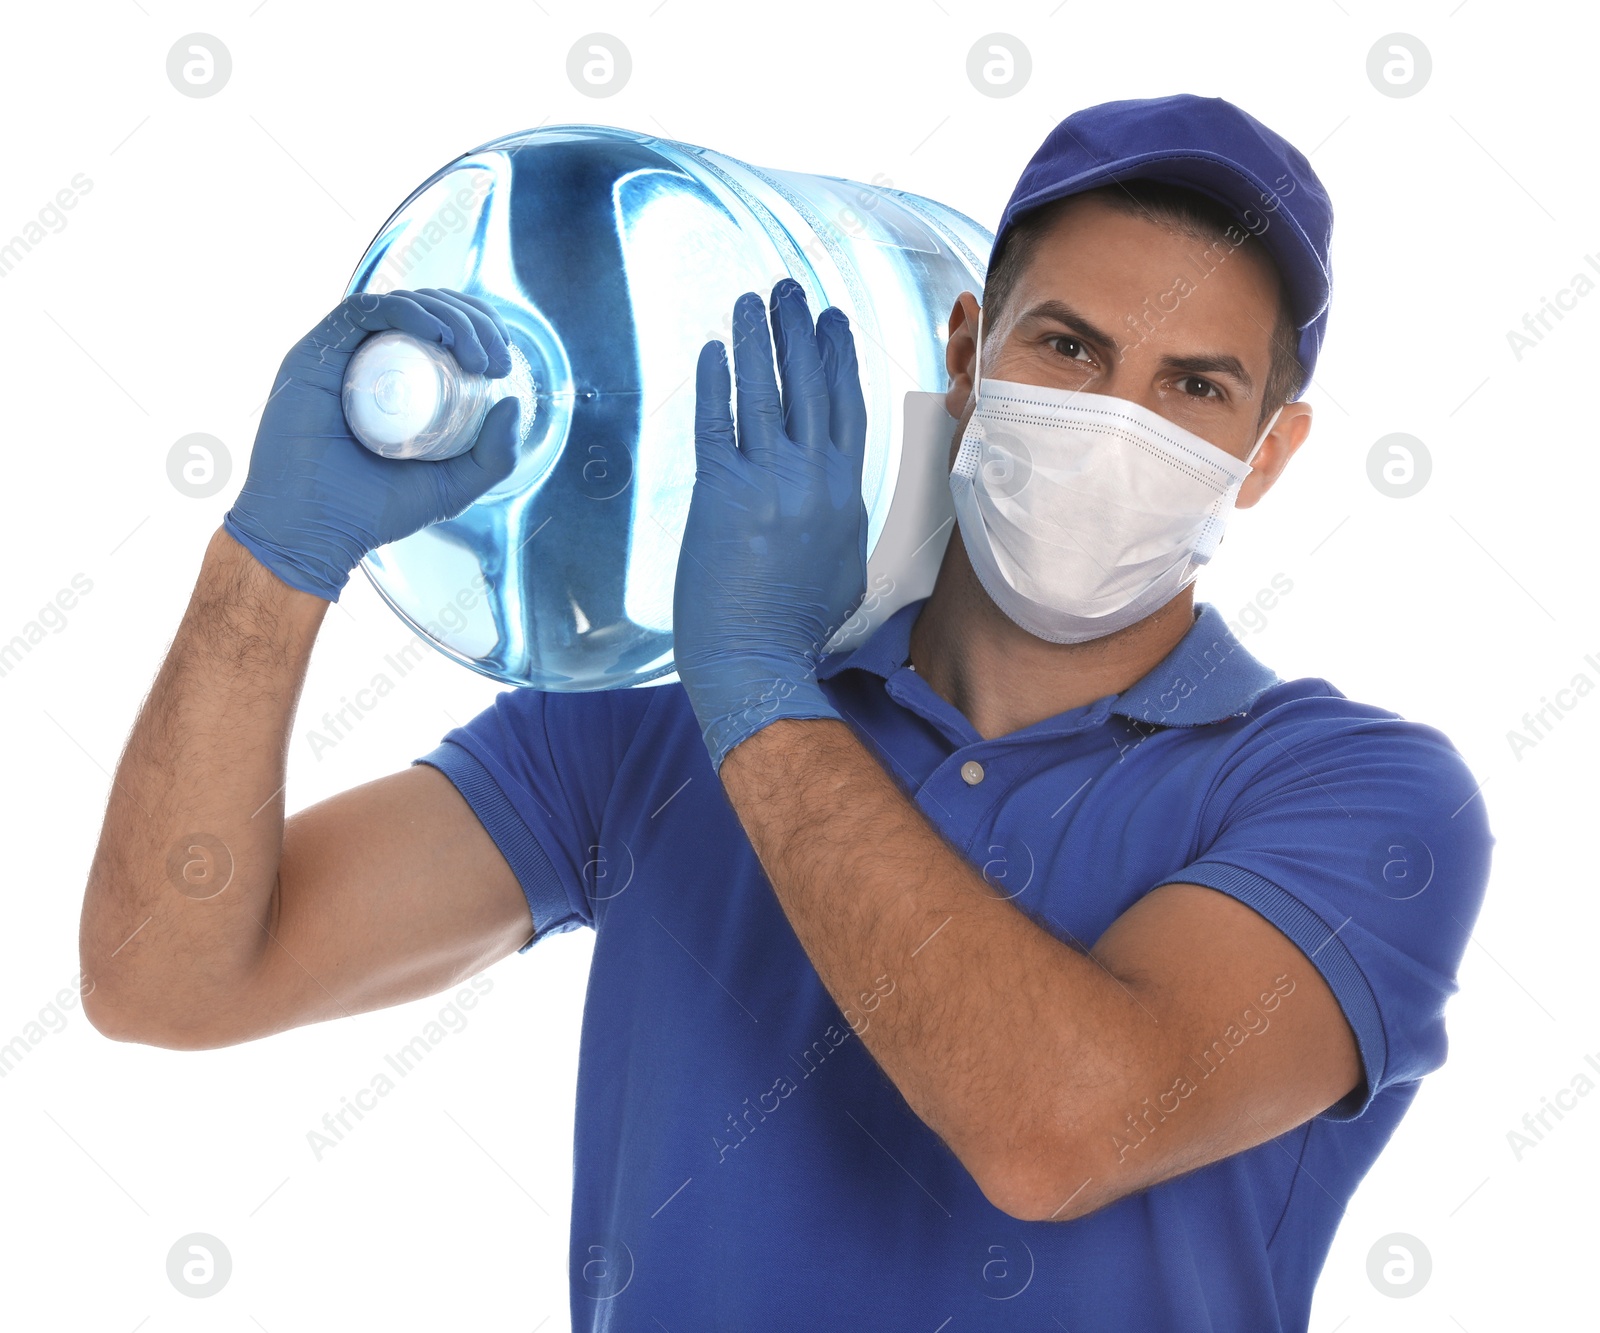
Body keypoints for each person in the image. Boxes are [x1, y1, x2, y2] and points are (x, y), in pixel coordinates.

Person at [79, 94, 1494, 1331]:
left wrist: (756, 685)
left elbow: (1056, 1131)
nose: (1114, 418)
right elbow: (170, 975)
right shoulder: (656, 703)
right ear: (965, 347)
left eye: (1195, 386)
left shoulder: (1359, 799)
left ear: (1268, 453)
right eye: (1066, 347)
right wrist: (271, 561)